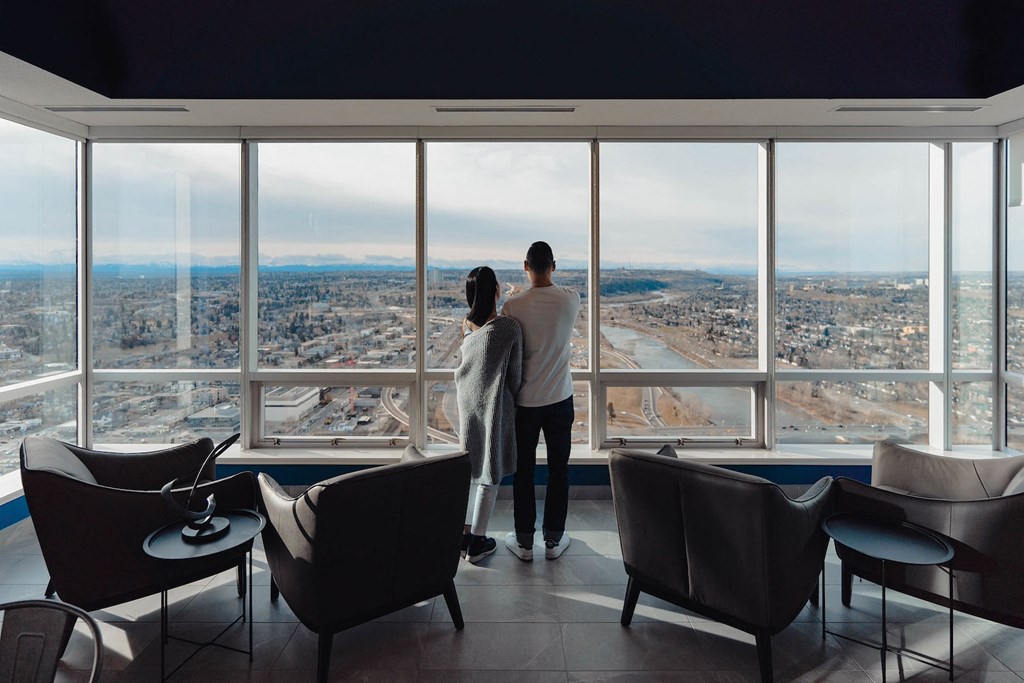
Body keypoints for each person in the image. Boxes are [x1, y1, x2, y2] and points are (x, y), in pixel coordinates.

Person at [500, 241, 581, 561]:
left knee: (524, 472)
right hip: (560, 399)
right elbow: (557, 294)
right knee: (559, 470)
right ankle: (553, 539)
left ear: (525, 266)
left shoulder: (513, 305)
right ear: (554, 266)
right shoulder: (571, 300)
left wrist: (518, 294)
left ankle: (524, 542)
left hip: (526, 402)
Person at [454, 266, 523, 563]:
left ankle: (464, 535)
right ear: (496, 290)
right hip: (493, 402)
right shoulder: (509, 328)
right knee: (489, 471)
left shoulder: (466, 324)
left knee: (471, 469)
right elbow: (515, 377)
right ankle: (478, 543)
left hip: (467, 401)